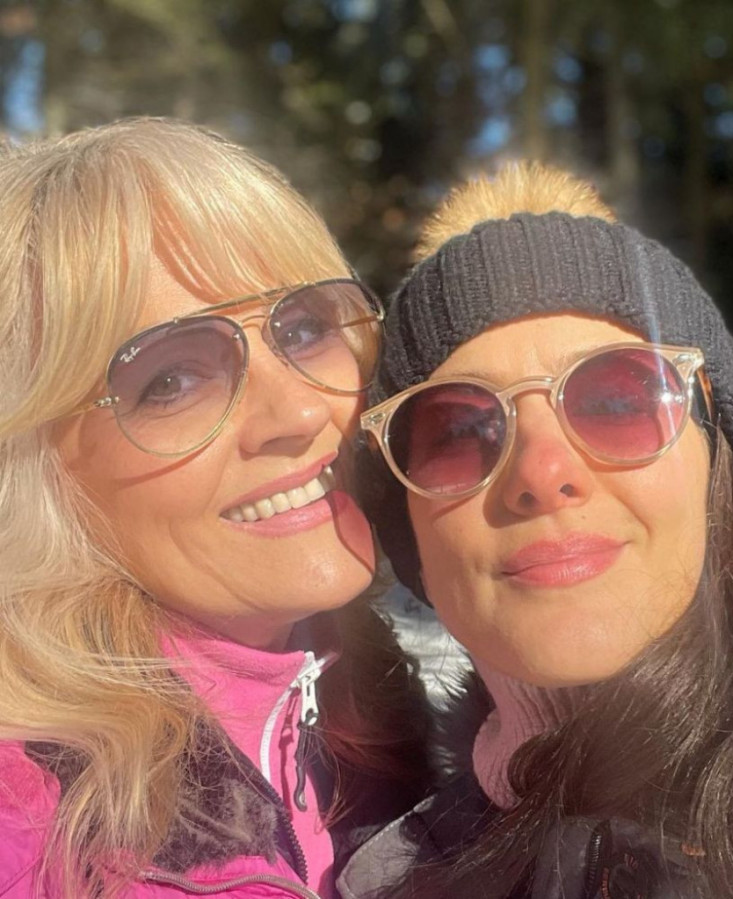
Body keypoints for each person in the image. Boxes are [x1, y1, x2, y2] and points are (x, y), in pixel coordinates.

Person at [340, 163, 733, 899]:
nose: (542, 471)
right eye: (461, 430)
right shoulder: (385, 877)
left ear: (715, 459)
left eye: (615, 401)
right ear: (410, 530)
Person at [0, 118, 428, 899]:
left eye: (304, 328)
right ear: (39, 471)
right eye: (170, 379)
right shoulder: (32, 815)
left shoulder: (396, 710)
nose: (302, 410)